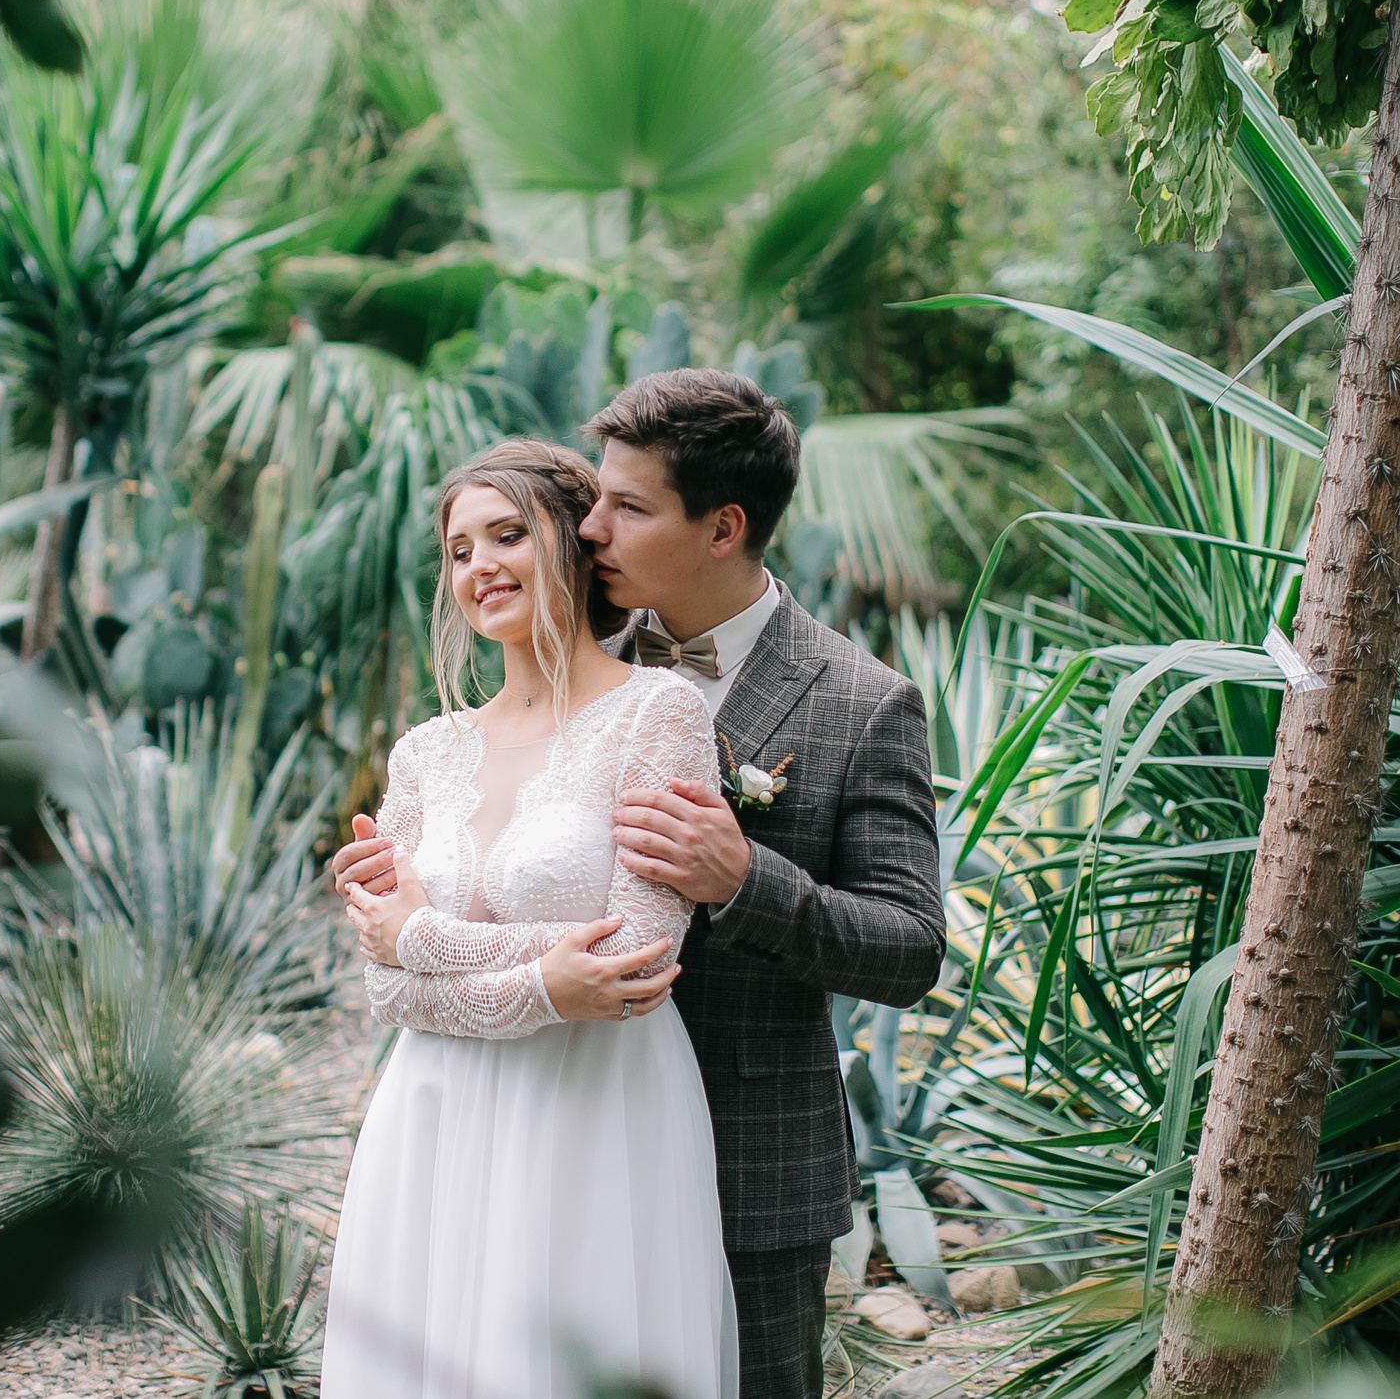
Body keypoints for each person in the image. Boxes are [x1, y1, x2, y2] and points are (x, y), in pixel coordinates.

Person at [333, 369, 944, 1399]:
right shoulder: (555, 657)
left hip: (746, 1158)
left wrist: (749, 879)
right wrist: (404, 909)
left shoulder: (860, 704)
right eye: (589, 502)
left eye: (625, 506)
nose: (591, 525)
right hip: (519, 1124)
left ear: (721, 527)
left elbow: (909, 947)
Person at [321, 439, 738, 1399]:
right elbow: (383, 988)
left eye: (507, 534)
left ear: (574, 544)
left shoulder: (657, 712)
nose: (480, 567)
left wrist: (428, 939)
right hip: (431, 1111)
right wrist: (545, 977)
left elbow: (635, 959)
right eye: (459, 550)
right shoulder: (424, 752)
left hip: (596, 1108)